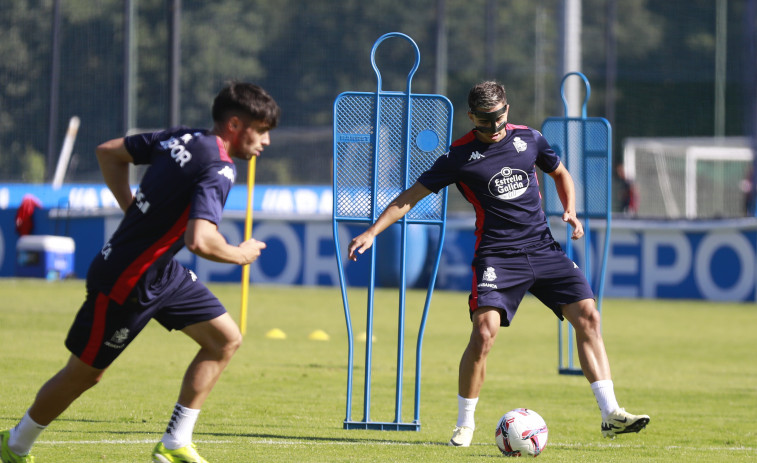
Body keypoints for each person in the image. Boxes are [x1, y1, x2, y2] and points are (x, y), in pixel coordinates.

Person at [347, 81, 649, 447]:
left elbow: (560, 173)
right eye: (485, 122)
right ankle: (465, 423)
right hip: (497, 256)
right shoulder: (457, 156)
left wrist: (569, 208)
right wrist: (373, 231)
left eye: (500, 118)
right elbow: (410, 196)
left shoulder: (530, 139)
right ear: (471, 116)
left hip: (542, 248)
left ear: (508, 108)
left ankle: (610, 414)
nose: (494, 128)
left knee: (588, 315)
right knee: (484, 333)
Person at [0, 82, 280, 463]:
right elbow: (200, 239)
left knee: (224, 340)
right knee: (84, 375)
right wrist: (240, 254)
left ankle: (175, 443)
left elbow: (109, 153)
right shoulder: (219, 167)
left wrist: (130, 206)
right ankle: (15, 444)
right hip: (125, 281)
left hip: (162, 272)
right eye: (261, 130)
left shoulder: (184, 137)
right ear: (235, 124)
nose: (265, 142)